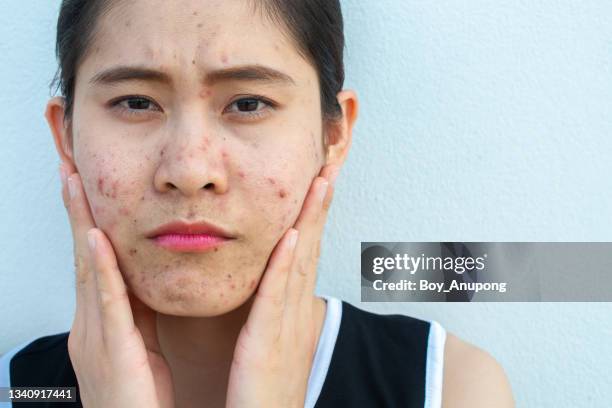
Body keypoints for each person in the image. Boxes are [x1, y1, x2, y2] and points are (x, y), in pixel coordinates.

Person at [0, 1, 514, 407]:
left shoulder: (446, 389)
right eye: (136, 102)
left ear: (334, 134)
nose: (189, 170)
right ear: (64, 135)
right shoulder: (17, 389)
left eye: (248, 104)